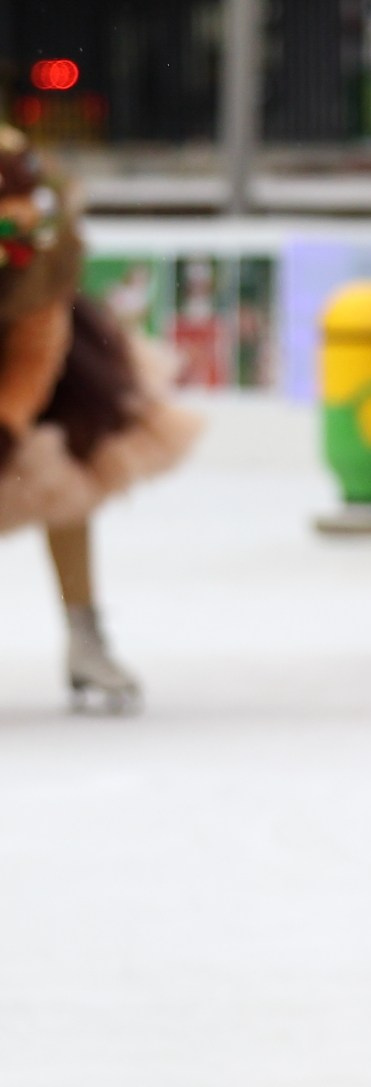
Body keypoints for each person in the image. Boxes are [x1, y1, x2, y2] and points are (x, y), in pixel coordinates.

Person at [0, 136, 200, 710]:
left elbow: (35, 347)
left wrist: (7, 425)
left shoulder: (28, 225)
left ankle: (84, 635)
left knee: (66, 471)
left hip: (38, 363)